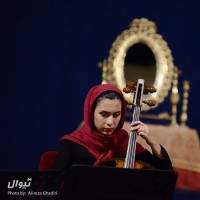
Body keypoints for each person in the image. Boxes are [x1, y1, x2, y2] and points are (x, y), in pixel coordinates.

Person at [52, 84, 173, 172]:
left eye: (116, 115)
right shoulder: (71, 144)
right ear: (91, 112)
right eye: (104, 114)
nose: (110, 122)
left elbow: (164, 174)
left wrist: (152, 141)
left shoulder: (126, 143)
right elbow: (52, 188)